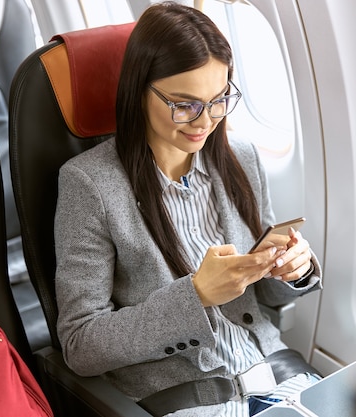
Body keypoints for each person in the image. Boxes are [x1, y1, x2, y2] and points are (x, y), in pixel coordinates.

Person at [54, 2, 323, 416]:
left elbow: (264, 294)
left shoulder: (243, 158)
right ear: (139, 89)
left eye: (218, 100)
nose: (205, 121)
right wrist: (195, 296)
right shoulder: (89, 184)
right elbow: (80, 344)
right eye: (185, 104)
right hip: (189, 397)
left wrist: (292, 268)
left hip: (274, 374)